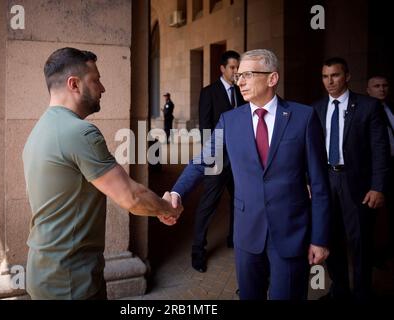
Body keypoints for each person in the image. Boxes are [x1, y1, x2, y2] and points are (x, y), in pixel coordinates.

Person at [161, 49, 331, 300]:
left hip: (291, 232)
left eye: (247, 75)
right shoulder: (230, 121)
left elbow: (319, 183)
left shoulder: (303, 117)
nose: (239, 81)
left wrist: (319, 238)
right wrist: (176, 192)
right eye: (238, 75)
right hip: (247, 234)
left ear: (272, 78)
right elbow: (202, 160)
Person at [22, 47, 181, 300]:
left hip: (43, 273)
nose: (103, 87)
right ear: (74, 84)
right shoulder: (80, 133)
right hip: (72, 282)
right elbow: (131, 197)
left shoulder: (39, 129)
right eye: (95, 80)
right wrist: (167, 208)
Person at [312, 58, 390, 300]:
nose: (330, 81)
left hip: (356, 183)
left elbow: (380, 149)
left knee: (360, 242)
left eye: (335, 75)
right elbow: (311, 150)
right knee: (330, 237)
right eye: (325, 76)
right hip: (327, 181)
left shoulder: (368, 106)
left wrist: (378, 187)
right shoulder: (316, 109)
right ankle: (340, 290)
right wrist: (308, 180)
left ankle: (362, 292)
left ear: (347, 76)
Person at [192, 50, 245, 273]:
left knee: (239, 199)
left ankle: (234, 238)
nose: (236, 71)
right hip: (217, 158)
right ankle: (198, 250)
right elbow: (205, 128)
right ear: (222, 69)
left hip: (239, 158)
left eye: (238, 68)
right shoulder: (209, 92)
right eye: (232, 67)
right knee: (208, 204)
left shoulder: (243, 92)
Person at [367, 75, 394, 266]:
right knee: (371, 219)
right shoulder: (364, 111)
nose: (381, 89)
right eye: (377, 86)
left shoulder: (391, 110)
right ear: (368, 90)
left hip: (392, 168)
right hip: (372, 173)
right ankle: (373, 256)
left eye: (385, 85)